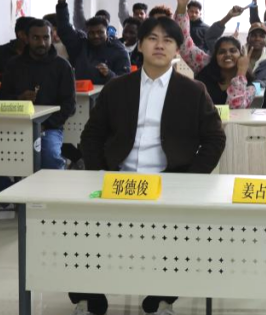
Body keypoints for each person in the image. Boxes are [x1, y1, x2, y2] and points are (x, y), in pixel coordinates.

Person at [73, 16, 227, 315]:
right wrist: (100, 173)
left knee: (177, 241)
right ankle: (90, 296)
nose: (160, 45)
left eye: (168, 40)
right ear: (140, 45)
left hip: (169, 182)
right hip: (117, 180)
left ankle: (161, 298)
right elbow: (91, 136)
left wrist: (190, 179)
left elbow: (214, 138)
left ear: (177, 50)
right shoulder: (117, 87)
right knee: (79, 229)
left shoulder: (194, 91)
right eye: (152, 38)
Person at [0, 19, 76, 171]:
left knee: (50, 157)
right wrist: (19, 99)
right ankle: (11, 186)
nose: (42, 43)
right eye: (36, 38)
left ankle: (53, 187)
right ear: (26, 38)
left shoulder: (62, 66)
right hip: (15, 125)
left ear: (51, 38)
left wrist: (44, 125)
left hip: (50, 128)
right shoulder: (13, 65)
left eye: (46, 37)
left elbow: (69, 105)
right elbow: (1, 100)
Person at [55, 0, 130, 85]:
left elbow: (126, 81)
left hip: (108, 93)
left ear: (107, 32)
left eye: (100, 32)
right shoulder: (81, 45)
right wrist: (62, 1)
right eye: (92, 33)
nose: (96, 36)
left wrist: (109, 74)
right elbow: (64, 29)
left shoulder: (118, 50)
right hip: (81, 93)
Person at [195, 37, 256, 108]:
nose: (227, 55)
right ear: (216, 57)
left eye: (233, 51)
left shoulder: (249, 88)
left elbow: (234, 108)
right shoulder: (204, 78)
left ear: (240, 56)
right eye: (222, 52)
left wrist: (242, 70)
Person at [172, 0, 212, 75]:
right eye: (191, 11)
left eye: (196, 12)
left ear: (200, 13)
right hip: (179, 62)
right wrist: (181, 5)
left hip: (200, 64)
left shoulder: (206, 29)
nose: (193, 14)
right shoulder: (180, 25)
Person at [0, 15, 35, 80]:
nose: (40, 41)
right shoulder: (0, 52)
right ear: (21, 34)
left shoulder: (39, 52)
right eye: (34, 35)